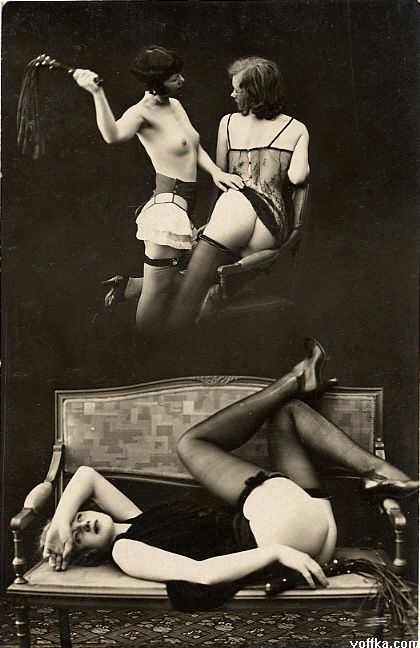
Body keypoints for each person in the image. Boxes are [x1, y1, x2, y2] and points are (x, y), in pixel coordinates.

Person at [41, 339, 418, 612]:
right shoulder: (125, 550)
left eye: (78, 518)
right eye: (77, 537)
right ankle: (299, 381)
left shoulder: (136, 521)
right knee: (191, 444)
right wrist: (277, 551)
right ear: (86, 556)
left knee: (286, 415)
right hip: (278, 538)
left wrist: (59, 521)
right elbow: (201, 573)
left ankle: (373, 468)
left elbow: (86, 475)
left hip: (312, 527)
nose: (81, 525)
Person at [73, 46, 243, 337]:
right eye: (174, 78)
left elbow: (193, 146)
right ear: (155, 82)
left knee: (172, 282)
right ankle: (147, 352)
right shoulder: (141, 113)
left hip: (183, 203)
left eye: (180, 74)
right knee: (157, 294)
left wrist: (217, 172)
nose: (182, 80)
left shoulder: (174, 105)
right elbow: (112, 135)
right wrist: (96, 93)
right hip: (168, 208)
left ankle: (131, 286)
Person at [168, 56, 310, 329]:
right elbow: (298, 177)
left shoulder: (229, 123)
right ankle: (169, 299)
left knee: (188, 289)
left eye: (237, 89)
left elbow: (222, 176)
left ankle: (166, 332)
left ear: (254, 93)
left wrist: (214, 223)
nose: (232, 94)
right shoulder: (296, 128)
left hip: (236, 214)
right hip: (271, 229)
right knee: (201, 279)